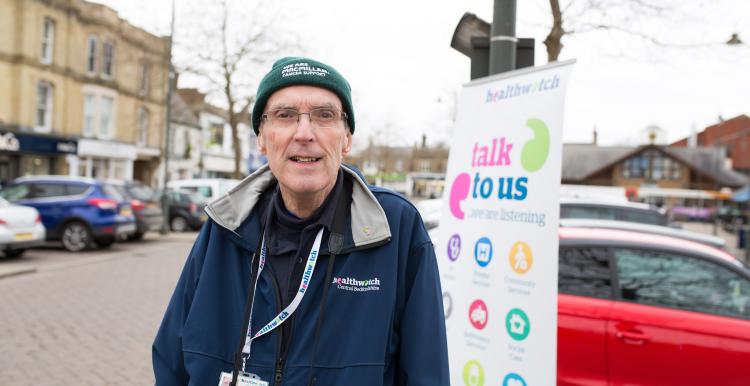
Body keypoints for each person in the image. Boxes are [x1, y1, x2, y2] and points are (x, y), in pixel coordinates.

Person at [153, 56, 449, 386]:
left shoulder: (396, 227)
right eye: (285, 115)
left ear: (347, 138)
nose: (304, 133)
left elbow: (427, 374)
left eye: (324, 116)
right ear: (262, 138)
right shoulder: (224, 227)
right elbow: (171, 364)